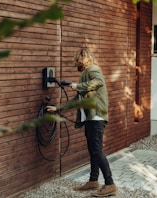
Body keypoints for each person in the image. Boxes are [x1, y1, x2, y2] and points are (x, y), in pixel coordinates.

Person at [47, 48, 117, 197]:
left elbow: (99, 82)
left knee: (97, 150)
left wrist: (77, 86)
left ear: (83, 60)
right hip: (91, 119)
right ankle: (93, 180)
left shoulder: (93, 69)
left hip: (97, 117)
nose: (76, 64)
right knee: (93, 150)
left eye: (77, 61)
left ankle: (110, 184)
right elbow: (76, 101)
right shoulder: (85, 74)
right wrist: (57, 108)